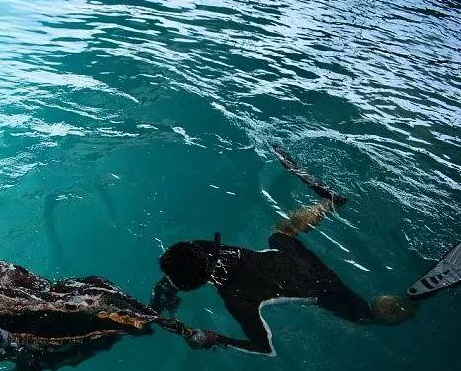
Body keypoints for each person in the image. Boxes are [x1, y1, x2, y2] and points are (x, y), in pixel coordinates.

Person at [150, 147, 413, 355]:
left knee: (367, 316)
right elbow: (181, 269)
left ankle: (409, 303)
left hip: (319, 288)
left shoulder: (237, 299)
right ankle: (329, 202)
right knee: (279, 233)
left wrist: (216, 339)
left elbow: (266, 349)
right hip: (290, 257)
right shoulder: (203, 247)